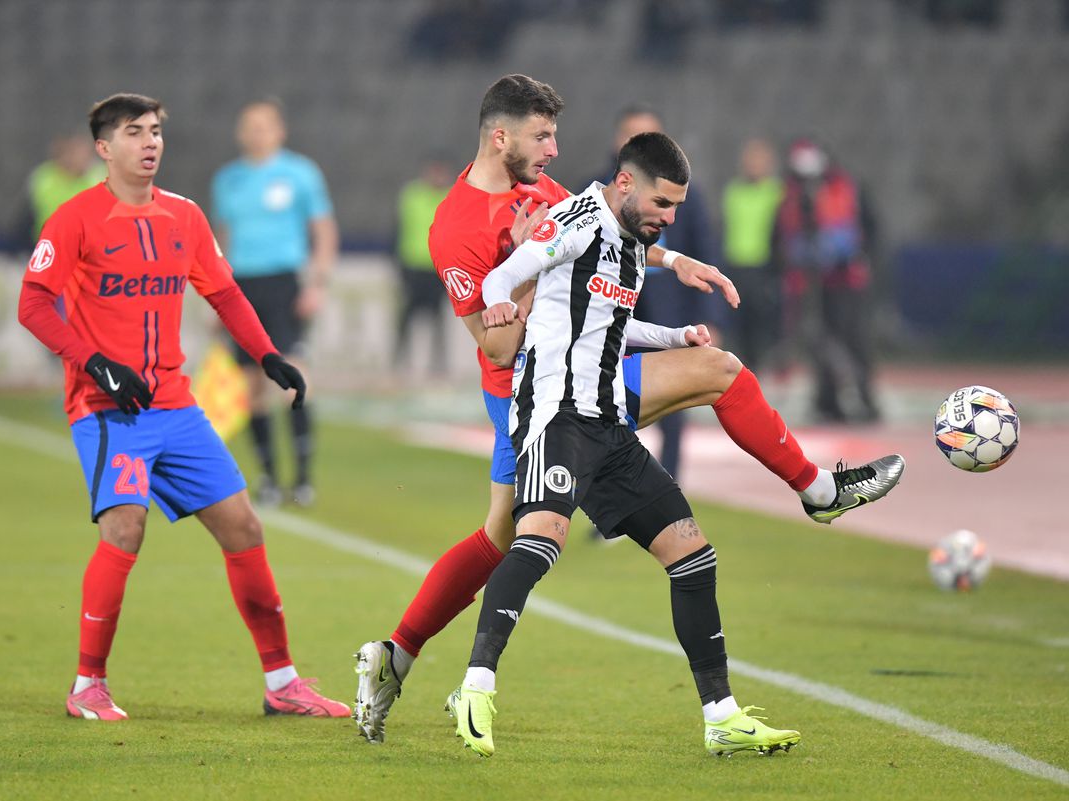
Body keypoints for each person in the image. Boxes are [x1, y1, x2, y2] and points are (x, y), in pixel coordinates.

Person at [353, 75, 903, 745]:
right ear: (501, 137)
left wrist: (675, 261)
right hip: (527, 394)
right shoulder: (457, 225)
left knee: (717, 371)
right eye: (542, 136)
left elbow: (610, 235)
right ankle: (404, 657)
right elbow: (495, 346)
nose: (555, 150)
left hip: (596, 379)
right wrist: (530, 271)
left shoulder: (546, 194)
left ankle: (818, 491)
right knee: (505, 538)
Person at [447, 133, 798, 757]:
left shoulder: (628, 241)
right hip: (555, 415)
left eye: (676, 209)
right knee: (538, 542)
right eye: (663, 204)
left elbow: (605, 321)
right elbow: (504, 275)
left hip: (607, 424)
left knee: (693, 557)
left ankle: (721, 718)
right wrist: (498, 306)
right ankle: (475, 687)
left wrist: (675, 335)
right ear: (627, 184)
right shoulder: (576, 221)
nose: (668, 219)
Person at [17, 93, 349, 721]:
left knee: (245, 528)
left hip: (175, 406)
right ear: (103, 148)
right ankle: (87, 684)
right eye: (134, 132)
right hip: (108, 410)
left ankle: (282, 681)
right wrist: (95, 364)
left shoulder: (185, 216)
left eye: (156, 131)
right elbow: (33, 304)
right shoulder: (74, 218)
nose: (150, 143)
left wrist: (267, 354)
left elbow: (223, 292)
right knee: (125, 528)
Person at [211, 98, 338, 507]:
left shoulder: (299, 173)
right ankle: (267, 478)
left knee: (294, 377)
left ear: (279, 130)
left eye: (264, 125)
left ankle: (302, 479)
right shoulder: (228, 180)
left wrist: (316, 283)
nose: (256, 133)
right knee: (251, 387)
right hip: (242, 287)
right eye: (249, 125)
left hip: (285, 283)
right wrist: (217, 297)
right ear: (239, 132)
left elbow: (322, 230)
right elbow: (222, 243)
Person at [590, 105, 728, 481]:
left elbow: (704, 253)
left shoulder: (688, 195)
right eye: (632, 135)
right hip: (612, 308)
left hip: (669, 307)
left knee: (672, 409)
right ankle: (613, 492)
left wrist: (710, 317)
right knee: (607, 403)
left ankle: (667, 487)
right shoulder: (595, 191)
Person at [775, 138, 880, 422]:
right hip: (810, 283)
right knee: (820, 342)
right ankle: (827, 401)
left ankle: (865, 400)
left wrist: (855, 254)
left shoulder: (847, 188)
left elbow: (869, 229)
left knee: (852, 340)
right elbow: (781, 236)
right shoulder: (791, 195)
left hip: (846, 280)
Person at [721, 137, 784, 373]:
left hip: (764, 267)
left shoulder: (777, 192)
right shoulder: (733, 191)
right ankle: (744, 372)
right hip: (736, 265)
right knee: (739, 326)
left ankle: (764, 370)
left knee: (763, 327)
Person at [393, 156, 454, 379]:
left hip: (437, 268)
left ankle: (438, 366)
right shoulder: (412, 195)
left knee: (439, 319)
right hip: (412, 266)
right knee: (406, 318)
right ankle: (400, 363)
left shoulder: (451, 197)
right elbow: (399, 228)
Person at [27, 134, 107, 245]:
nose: (77, 157)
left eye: (82, 152)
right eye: (72, 152)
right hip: (49, 243)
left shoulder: (101, 176)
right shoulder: (44, 177)